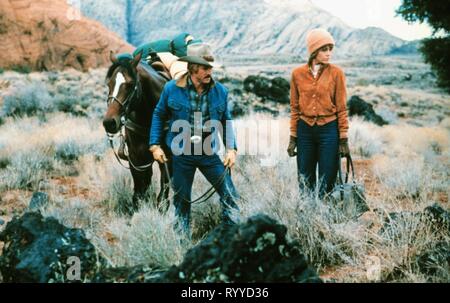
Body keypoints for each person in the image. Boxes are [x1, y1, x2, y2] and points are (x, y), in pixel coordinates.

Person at [149, 42, 239, 237]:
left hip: (208, 151)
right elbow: (159, 114)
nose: (209, 72)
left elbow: (226, 120)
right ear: (192, 68)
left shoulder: (220, 91)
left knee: (230, 195)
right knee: (181, 201)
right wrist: (155, 145)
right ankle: (182, 243)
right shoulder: (171, 89)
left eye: (210, 67)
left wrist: (231, 149)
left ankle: (231, 239)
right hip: (181, 152)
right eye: (205, 68)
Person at [287, 28, 350, 198]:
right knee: (305, 179)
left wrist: (343, 137)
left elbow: (342, 107)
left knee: (327, 179)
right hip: (305, 130)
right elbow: (294, 108)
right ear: (314, 51)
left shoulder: (337, 73)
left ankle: (325, 218)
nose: (329, 53)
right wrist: (293, 137)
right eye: (324, 49)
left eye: (330, 49)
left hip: (329, 131)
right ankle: (308, 216)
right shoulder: (297, 74)